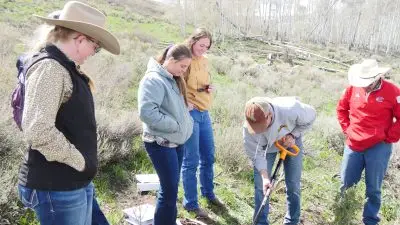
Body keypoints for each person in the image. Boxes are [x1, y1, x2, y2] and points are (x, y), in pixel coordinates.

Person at [17, 1, 120, 225]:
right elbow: (38, 130)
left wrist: (82, 167)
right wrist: (79, 161)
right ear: (80, 39)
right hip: (57, 186)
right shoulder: (50, 68)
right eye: (96, 45)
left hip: (71, 182)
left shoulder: (64, 67)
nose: (95, 51)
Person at [336, 59, 400, 225]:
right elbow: (341, 109)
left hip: (378, 147)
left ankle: (370, 220)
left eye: (368, 82)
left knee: (373, 187)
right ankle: (343, 215)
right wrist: (347, 130)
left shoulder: (393, 91)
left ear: (377, 77)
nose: (365, 85)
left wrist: (389, 136)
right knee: (346, 183)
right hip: (353, 144)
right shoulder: (352, 88)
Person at [138, 44, 194, 225]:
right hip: (160, 143)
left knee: (170, 189)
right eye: (183, 66)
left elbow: (168, 107)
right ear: (170, 60)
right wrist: (176, 124)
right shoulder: (153, 80)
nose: (184, 71)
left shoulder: (171, 78)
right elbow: (147, 113)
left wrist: (184, 115)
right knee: (169, 192)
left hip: (175, 141)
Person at [243, 96, 316, 225]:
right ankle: (261, 222)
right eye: (255, 128)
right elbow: (256, 155)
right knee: (261, 185)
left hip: (290, 140)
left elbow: (312, 115)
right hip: (267, 146)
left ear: (269, 116)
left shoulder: (290, 109)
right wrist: (265, 177)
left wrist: (293, 134)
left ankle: (292, 221)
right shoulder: (248, 127)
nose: (257, 130)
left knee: (293, 184)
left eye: (260, 126)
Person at [181, 27, 223, 218]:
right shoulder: (184, 58)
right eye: (201, 45)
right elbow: (174, 83)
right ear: (193, 41)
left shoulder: (205, 61)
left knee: (209, 156)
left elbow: (201, 83)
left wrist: (208, 87)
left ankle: (208, 193)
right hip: (191, 114)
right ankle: (191, 203)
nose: (203, 49)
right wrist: (184, 102)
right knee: (191, 160)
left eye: (207, 46)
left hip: (205, 112)